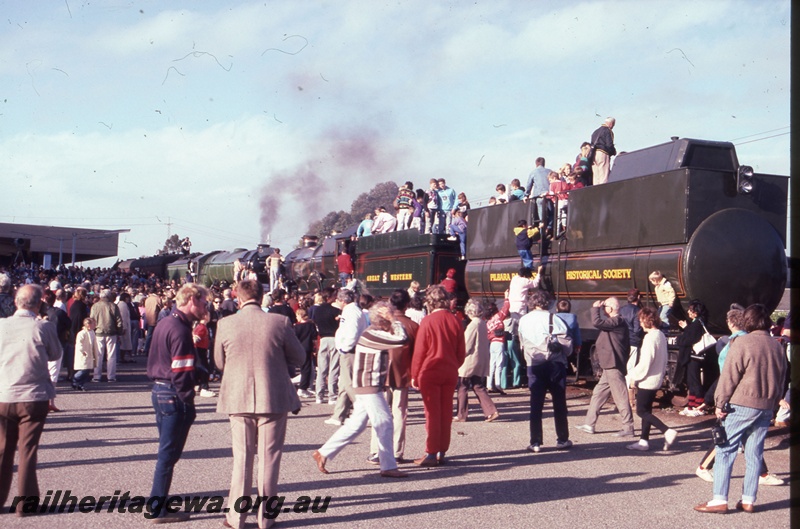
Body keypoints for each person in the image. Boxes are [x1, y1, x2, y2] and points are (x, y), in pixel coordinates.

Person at [214, 279, 305, 528]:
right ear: (262, 296)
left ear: (238, 298)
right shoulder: (279, 321)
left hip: (237, 395)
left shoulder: (225, 323)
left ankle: (236, 517)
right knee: (270, 457)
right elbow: (300, 356)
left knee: (242, 458)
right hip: (273, 396)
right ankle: (266, 517)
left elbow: (219, 362)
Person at [694, 304, 787, 514]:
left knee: (725, 450)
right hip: (765, 407)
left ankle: (719, 499)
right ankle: (748, 500)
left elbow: (729, 376)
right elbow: (782, 378)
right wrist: (774, 403)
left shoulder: (742, 342)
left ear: (748, 320)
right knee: (754, 454)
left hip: (741, 404)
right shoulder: (776, 345)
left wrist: (719, 403)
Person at [312, 301, 409, 478]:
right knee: (384, 423)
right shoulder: (373, 334)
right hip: (368, 385)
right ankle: (388, 466)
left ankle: (324, 452)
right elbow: (402, 339)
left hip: (367, 384)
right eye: (387, 317)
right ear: (382, 320)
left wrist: (391, 318)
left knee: (356, 425)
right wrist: (394, 318)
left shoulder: (371, 333)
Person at [146, 283, 210, 523]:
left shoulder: (165, 323)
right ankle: (157, 507)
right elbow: (181, 371)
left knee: (166, 452)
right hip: (174, 394)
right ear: (192, 299)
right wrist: (188, 399)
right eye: (203, 303)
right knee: (168, 454)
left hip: (159, 390)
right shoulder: (181, 329)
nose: (206, 307)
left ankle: (157, 501)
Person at [0, 285, 62, 516]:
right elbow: (55, 354)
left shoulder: (1, 325)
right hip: (33, 396)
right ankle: (26, 504)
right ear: (39, 304)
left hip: (4, 394)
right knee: (27, 449)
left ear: (16, 302)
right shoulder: (43, 327)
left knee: (3, 449)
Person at [411, 285, 466, 466]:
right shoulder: (455, 320)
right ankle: (442, 450)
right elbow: (461, 352)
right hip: (449, 371)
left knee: (432, 414)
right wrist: (453, 365)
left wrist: (415, 374)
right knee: (445, 412)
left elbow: (420, 351)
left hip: (430, 370)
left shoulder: (428, 321)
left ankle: (431, 452)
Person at [518, 289, 573, 453]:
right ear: (547, 303)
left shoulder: (524, 320)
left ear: (532, 303)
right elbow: (567, 345)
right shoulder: (554, 319)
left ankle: (535, 442)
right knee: (559, 403)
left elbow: (521, 342)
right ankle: (562, 439)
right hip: (555, 365)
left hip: (534, 364)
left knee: (536, 404)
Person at [367, 289, 418, 465]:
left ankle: (376, 451)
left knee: (379, 413)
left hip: (380, 373)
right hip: (403, 373)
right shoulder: (412, 326)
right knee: (399, 413)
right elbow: (416, 354)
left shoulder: (381, 324)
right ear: (407, 304)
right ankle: (396, 452)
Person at [575, 297, 634, 437]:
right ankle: (589, 424)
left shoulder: (617, 321)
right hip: (609, 365)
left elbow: (596, 322)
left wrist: (595, 308)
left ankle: (628, 428)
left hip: (613, 364)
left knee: (620, 397)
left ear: (611, 308)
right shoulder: (613, 322)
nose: (603, 309)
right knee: (598, 393)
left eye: (605, 307)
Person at [625, 308, 677, 451]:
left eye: (641, 320)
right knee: (647, 410)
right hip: (656, 378)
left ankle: (667, 430)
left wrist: (634, 377)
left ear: (647, 321)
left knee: (641, 411)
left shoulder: (650, 338)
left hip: (647, 379)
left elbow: (645, 362)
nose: (640, 323)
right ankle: (643, 441)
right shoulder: (660, 335)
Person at [326, 289, 368, 426]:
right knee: (344, 384)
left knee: (349, 383)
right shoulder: (352, 310)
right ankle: (339, 415)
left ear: (342, 301)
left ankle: (366, 411)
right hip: (350, 349)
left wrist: (345, 347)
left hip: (350, 351)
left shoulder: (351, 312)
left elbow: (352, 332)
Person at [455, 299, 499, 422]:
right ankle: (491, 411)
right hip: (481, 359)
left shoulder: (472, 325)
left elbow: (467, 345)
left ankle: (461, 414)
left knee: (462, 386)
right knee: (478, 386)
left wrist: (458, 357)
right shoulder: (483, 323)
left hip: (470, 360)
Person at [676, 300, 717, 416]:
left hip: (694, 357)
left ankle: (699, 407)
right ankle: (691, 406)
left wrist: (678, 339)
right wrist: (686, 327)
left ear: (696, 312)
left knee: (694, 382)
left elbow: (689, 339)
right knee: (691, 381)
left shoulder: (697, 324)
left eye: (691, 310)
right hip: (693, 356)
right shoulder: (698, 322)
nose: (688, 312)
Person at [311, 288, 342, 405]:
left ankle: (319, 395)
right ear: (330, 297)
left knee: (322, 369)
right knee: (334, 368)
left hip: (323, 339)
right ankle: (332, 395)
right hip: (334, 338)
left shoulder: (317, 311)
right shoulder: (336, 310)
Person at [90, 289, 124, 383]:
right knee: (111, 355)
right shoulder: (113, 306)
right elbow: (119, 321)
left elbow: (92, 319)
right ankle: (111, 376)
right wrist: (119, 332)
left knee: (98, 355)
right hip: (111, 332)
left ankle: (97, 376)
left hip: (98, 332)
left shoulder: (95, 306)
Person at [485, 292, 511, 394]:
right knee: (499, 364)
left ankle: (489, 385)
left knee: (492, 364)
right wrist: (506, 298)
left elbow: (487, 334)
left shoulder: (488, 322)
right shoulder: (499, 317)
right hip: (499, 343)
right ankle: (498, 385)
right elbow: (506, 307)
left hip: (492, 343)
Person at [294, 308, 318, 399]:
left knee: (303, 369)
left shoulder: (296, 327)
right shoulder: (311, 325)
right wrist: (316, 349)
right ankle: (303, 388)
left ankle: (303, 387)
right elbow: (314, 338)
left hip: (299, 349)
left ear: (300, 316)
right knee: (307, 369)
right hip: (308, 348)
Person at [73, 317, 99, 391]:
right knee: (83, 370)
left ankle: (81, 384)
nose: (95, 325)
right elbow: (79, 344)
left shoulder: (92, 332)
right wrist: (82, 351)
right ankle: (75, 380)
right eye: (93, 323)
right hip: (84, 354)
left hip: (90, 354)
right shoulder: (82, 333)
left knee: (87, 371)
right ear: (88, 325)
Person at [525, 157, 552, 224]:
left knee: (541, 216)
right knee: (551, 213)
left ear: (536, 164)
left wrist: (526, 195)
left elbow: (529, 185)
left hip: (539, 196)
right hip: (550, 195)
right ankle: (549, 228)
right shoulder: (550, 171)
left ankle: (542, 232)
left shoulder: (533, 172)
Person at [590, 117, 616, 185]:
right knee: (603, 174)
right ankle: (603, 191)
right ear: (611, 124)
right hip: (603, 153)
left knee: (596, 176)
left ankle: (596, 192)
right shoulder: (607, 130)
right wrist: (613, 151)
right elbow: (609, 144)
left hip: (593, 154)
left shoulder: (595, 132)